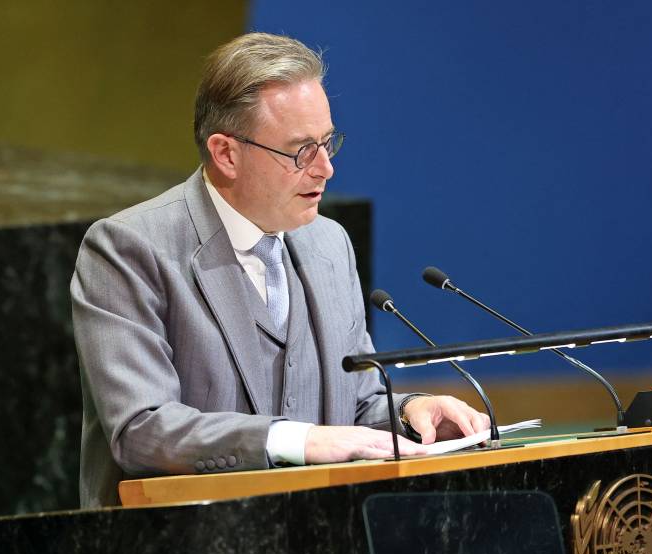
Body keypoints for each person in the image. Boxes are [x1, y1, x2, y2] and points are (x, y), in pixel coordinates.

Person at [71, 32, 489, 507]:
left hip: (322, 549)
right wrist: (297, 440)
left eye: (328, 143)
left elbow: (357, 405)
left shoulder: (329, 244)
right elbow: (141, 429)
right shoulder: (130, 248)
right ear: (227, 153)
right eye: (300, 151)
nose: (325, 168)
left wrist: (410, 413)